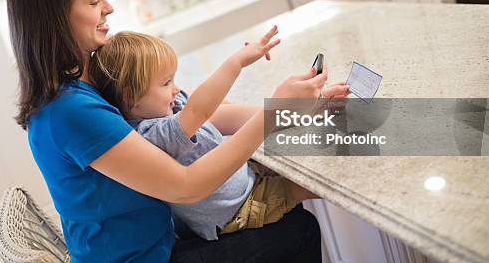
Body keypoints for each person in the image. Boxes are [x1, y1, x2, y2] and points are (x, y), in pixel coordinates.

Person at [6, 0, 350, 262]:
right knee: (297, 230)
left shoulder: (87, 75)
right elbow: (187, 186)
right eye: (94, 1)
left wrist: (299, 110)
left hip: (161, 239)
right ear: (56, 16)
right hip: (145, 258)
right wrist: (272, 113)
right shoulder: (68, 111)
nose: (108, 8)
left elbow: (188, 113)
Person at [87, 30, 331, 241]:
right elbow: (198, 111)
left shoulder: (166, 103)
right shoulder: (149, 135)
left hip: (246, 178)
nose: (175, 88)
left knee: (310, 163)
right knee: (316, 185)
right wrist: (237, 62)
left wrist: (298, 111)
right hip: (238, 210)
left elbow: (213, 106)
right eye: (165, 83)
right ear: (130, 97)